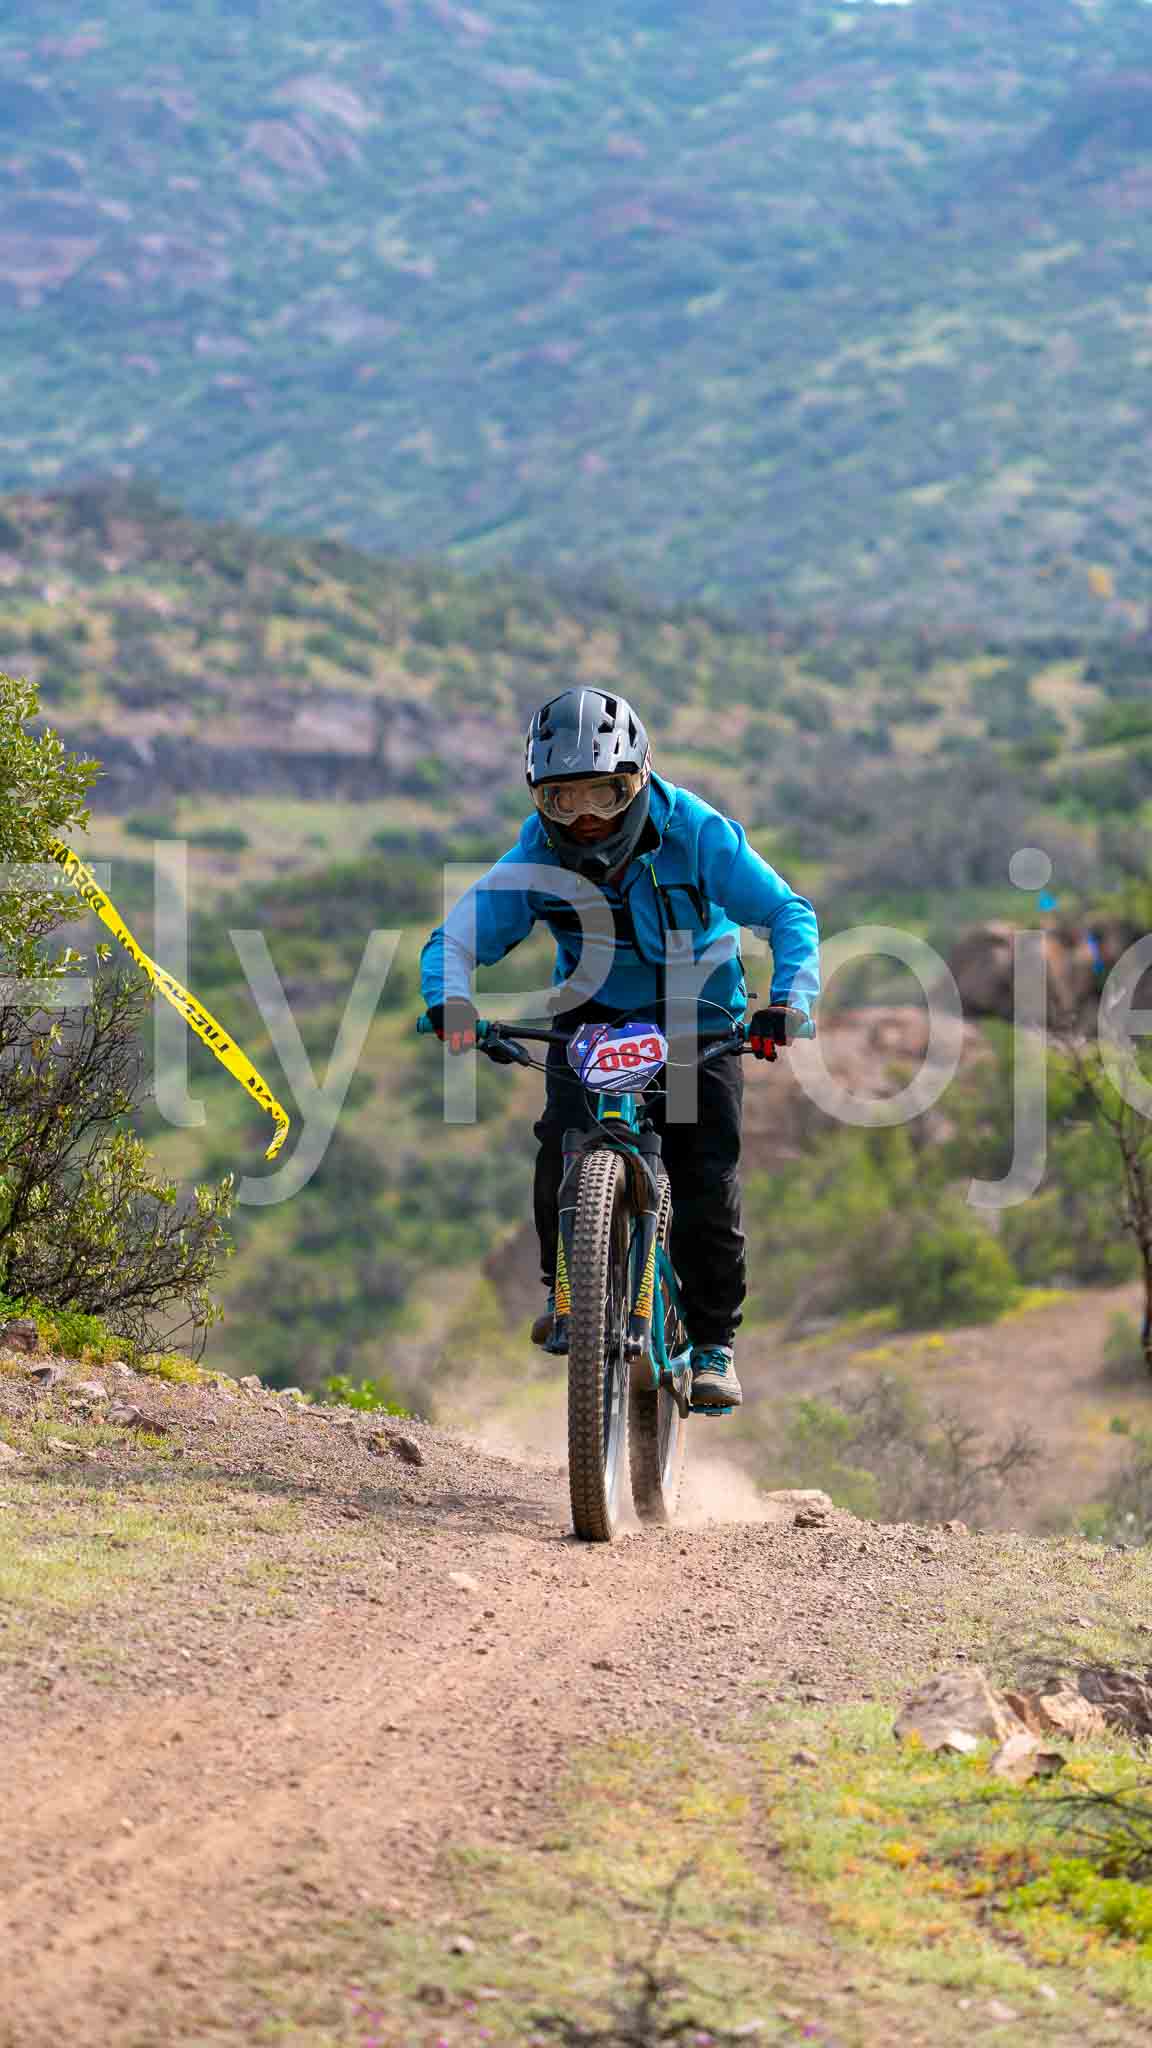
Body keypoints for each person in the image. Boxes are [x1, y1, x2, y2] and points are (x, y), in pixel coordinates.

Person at [420, 687, 820, 1410]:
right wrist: (449, 1000)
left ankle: (712, 1344)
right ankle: (569, 1288)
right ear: (539, 799)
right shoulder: (535, 855)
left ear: (636, 778)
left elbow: (787, 912)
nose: (586, 818)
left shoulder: (696, 832)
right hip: (593, 1007)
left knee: (703, 1171)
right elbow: (457, 936)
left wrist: (788, 1001)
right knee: (560, 1144)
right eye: (562, 799)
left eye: (604, 792)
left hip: (700, 1006)